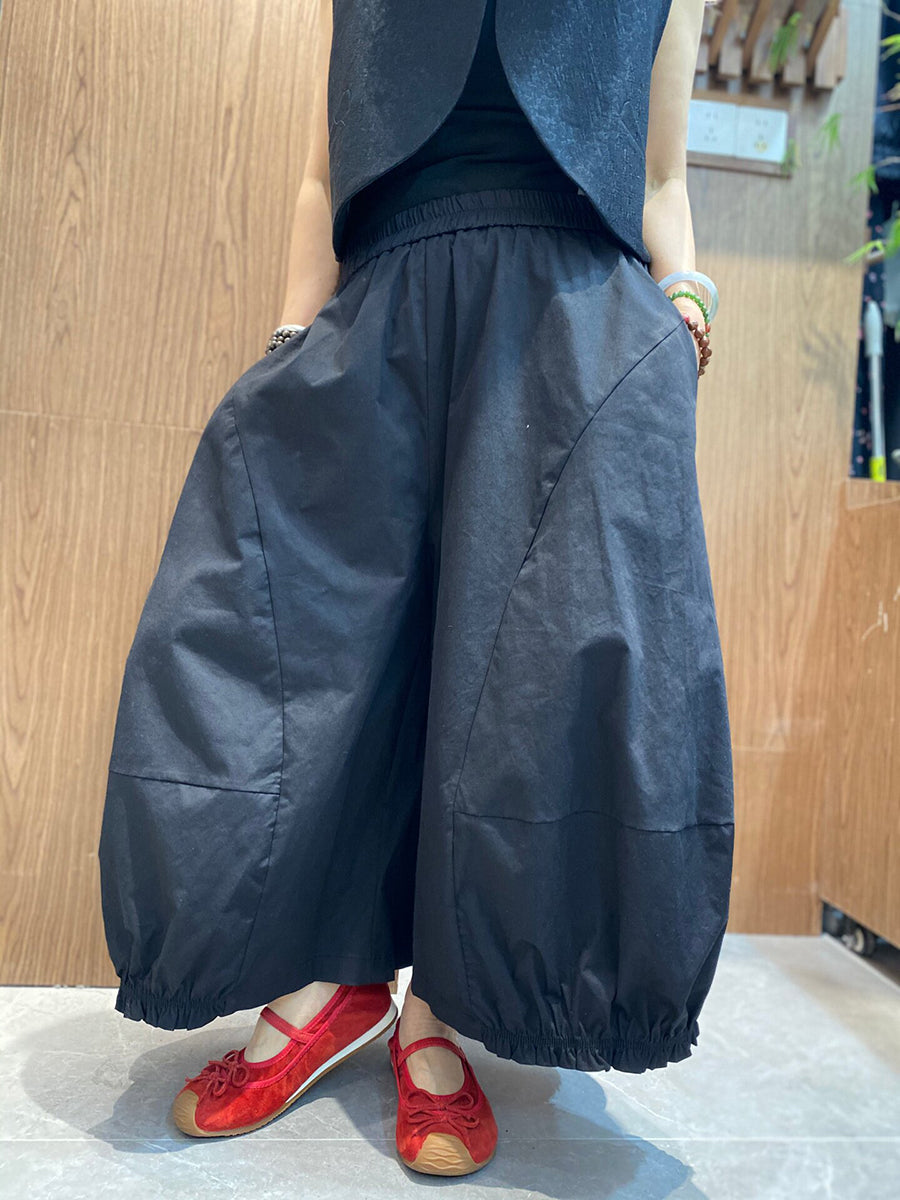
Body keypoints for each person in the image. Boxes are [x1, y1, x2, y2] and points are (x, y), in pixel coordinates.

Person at [97, 0, 732, 1178]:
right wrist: (290, 346)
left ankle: (437, 1007)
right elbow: (322, 173)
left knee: (521, 682)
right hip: (381, 304)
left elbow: (658, 180)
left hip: (575, 320)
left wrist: (684, 306)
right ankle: (331, 977)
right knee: (315, 652)